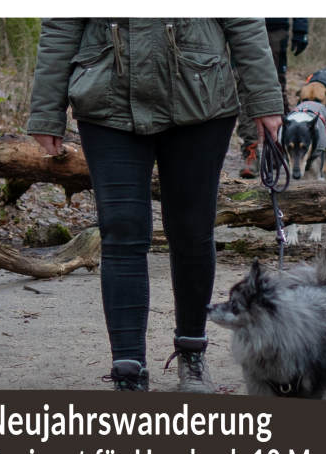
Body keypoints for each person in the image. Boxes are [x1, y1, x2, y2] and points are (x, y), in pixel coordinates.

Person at [26, 17, 284, 392]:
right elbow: (63, 23)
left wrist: (263, 100)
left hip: (201, 97)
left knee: (192, 232)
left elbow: (243, 22)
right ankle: (128, 373)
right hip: (107, 100)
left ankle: (192, 354)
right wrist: (46, 110)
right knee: (122, 232)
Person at [236, 17, 309, 179]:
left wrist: (301, 28)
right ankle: (251, 152)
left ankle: (280, 145)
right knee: (243, 91)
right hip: (238, 27)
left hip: (275, 27)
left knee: (276, 87)